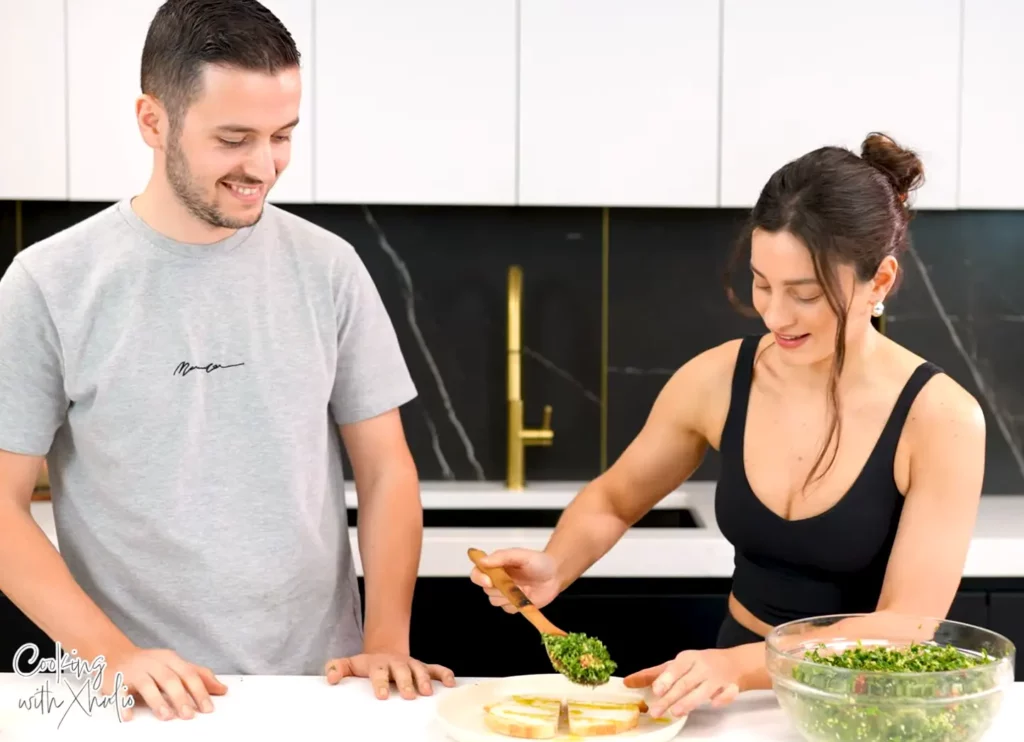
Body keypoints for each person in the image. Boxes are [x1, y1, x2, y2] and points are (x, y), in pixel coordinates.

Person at [0, 0, 453, 722]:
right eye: (233, 138)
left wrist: (385, 639)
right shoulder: (48, 283)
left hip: (320, 686)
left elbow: (386, 467)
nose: (263, 166)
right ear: (153, 121)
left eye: (282, 136)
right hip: (133, 695)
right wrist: (112, 655)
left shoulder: (330, 268)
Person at [470, 132, 986, 719]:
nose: (775, 314)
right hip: (731, 700)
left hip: (868, 708)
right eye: (762, 283)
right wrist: (555, 565)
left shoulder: (941, 418)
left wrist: (739, 667)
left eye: (806, 295)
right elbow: (614, 499)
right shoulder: (718, 379)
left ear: (881, 282)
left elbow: (903, 625)